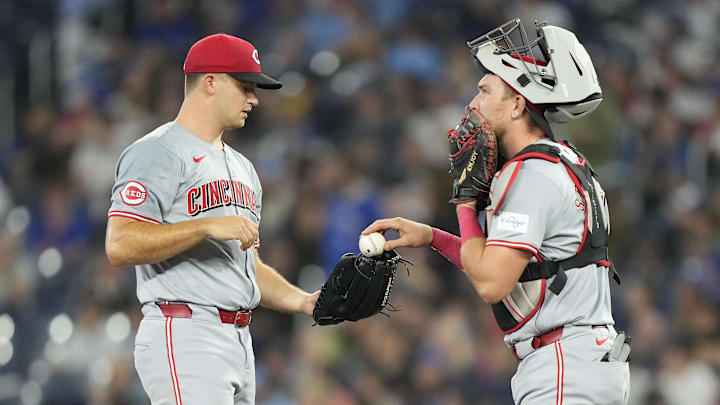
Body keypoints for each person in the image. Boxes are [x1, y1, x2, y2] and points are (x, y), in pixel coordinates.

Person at [363, 19, 630, 404]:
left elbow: (491, 282)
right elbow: (507, 261)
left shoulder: (531, 174)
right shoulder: (563, 161)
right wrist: (432, 237)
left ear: (518, 103)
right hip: (583, 359)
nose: (472, 103)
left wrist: (465, 202)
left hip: (564, 364)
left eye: (485, 90)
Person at [105, 33, 319, 405]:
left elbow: (248, 267)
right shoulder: (157, 152)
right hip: (185, 331)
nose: (254, 98)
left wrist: (303, 302)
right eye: (244, 86)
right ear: (210, 82)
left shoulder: (243, 168)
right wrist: (204, 225)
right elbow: (120, 244)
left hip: (238, 339)